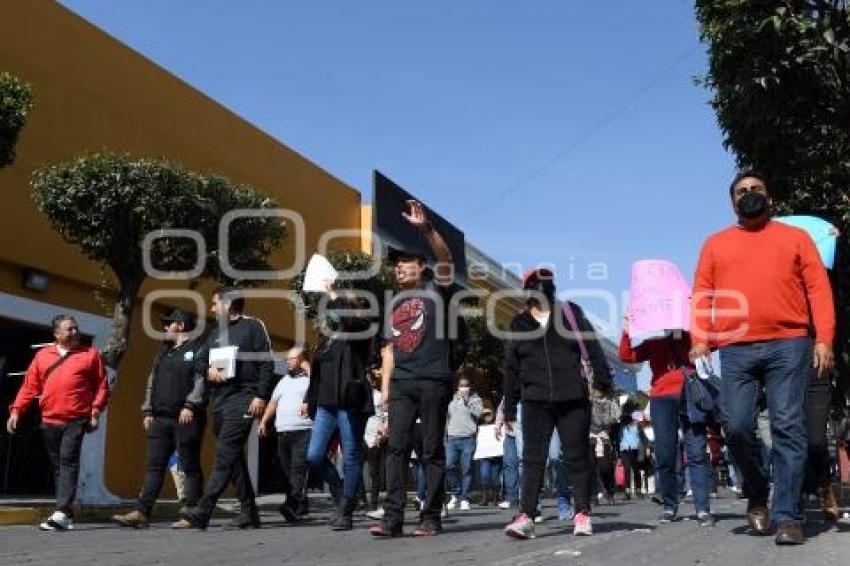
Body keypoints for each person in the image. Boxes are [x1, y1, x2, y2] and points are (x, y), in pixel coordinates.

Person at [690, 170, 835, 545]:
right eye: (742, 191)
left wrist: (824, 339)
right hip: (736, 349)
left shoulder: (796, 238)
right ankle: (756, 491)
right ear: (732, 202)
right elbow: (703, 294)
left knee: (788, 426)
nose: (749, 194)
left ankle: (788, 516)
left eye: (757, 189)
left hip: (789, 344)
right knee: (736, 426)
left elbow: (818, 289)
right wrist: (700, 339)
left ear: (770, 198)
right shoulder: (715, 244)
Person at [502, 267, 612, 540]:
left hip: (573, 398)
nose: (542, 288)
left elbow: (593, 346)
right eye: (537, 284)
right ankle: (526, 515)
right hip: (535, 401)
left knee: (576, 457)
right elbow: (511, 368)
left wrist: (601, 382)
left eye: (547, 283)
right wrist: (509, 406)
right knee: (532, 459)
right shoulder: (519, 324)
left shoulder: (569, 313)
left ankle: (582, 513)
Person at [370, 199, 458, 538]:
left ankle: (430, 516)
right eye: (396, 265)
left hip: (435, 379)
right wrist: (386, 389)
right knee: (396, 448)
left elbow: (447, 259)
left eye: (405, 262)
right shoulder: (392, 302)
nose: (398, 268)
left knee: (432, 449)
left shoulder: (438, 288)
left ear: (421, 265)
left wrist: (427, 229)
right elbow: (389, 349)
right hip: (403, 383)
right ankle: (393, 518)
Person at [177, 287, 275, 530]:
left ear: (229, 304)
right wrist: (207, 370)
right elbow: (199, 360)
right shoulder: (214, 333)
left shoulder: (253, 326)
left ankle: (204, 509)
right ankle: (249, 513)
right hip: (219, 401)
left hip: (244, 398)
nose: (211, 308)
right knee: (234, 459)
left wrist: (261, 396)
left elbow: (266, 363)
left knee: (225, 453)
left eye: (214, 303)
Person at [7, 314, 109, 531]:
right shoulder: (43, 356)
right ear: (56, 334)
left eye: (76, 328)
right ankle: (67, 513)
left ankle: (61, 511)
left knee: (67, 460)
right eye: (69, 329)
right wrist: (16, 411)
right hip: (49, 419)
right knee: (59, 466)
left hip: (76, 418)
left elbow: (101, 386)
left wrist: (95, 411)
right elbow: (29, 387)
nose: (75, 332)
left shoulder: (90, 355)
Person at [113, 308, 207, 529]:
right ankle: (142, 512)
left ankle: (192, 514)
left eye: (168, 323)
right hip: (160, 419)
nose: (165, 328)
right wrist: (148, 410)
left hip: (187, 417)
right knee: (154, 466)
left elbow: (201, 380)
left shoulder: (199, 349)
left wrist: (190, 405)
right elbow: (151, 382)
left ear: (181, 326)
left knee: (189, 466)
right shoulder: (163, 352)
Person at [619, 317, 715, 526]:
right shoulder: (654, 343)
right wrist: (627, 331)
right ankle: (670, 505)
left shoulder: (693, 338)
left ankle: (702, 508)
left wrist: (697, 329)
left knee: (697, 453)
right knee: (664, 454)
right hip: (661, 400)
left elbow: (713, 343)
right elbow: (627, 356)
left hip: (691, 397)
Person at [302, 284, 374, 531]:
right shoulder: (326, 338)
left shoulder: (360, 330)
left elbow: (350, 322)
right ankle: (341, 493)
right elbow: (318, 375)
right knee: (314, 455)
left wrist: (335, 296)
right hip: (325, 404)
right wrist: (309, 401)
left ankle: (346, 510)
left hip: (349, 401)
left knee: (351, 455)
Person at [257, 346, 313, 522]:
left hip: (303, 430)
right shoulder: (283, 381)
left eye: (292, 358)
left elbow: (319, 385)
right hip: (283, 432)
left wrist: (308, 368)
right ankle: (300, 504)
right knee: (287, 472)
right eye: (287, 359)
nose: (287, 362)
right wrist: (264, 421)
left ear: (302, 359)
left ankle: (291, 506)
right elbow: (273, 403)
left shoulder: (311, 379)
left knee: (298, 469)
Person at [445, 375, 483, 511]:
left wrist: (467, 402)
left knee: (466, 469)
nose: (463, 388)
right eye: (461, 385)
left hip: (468, 438)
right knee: (449, 465)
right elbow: (447, 417)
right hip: (452, 438)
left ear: (470, 387)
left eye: (466, 385)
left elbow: (478, 414)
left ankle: (464, 498)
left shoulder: (476, 399)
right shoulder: (451, 399)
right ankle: (456, 493)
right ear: (457, 387)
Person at [364, 369, 387, 520]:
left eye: (368, 380)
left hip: (374, 438)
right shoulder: (359, 398)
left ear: (373, 382)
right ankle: (361, 501)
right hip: (360, 437)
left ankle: (373, 503)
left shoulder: (379, 396)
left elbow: (387, 414)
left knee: (374, 473)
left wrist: (382, 432)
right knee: (354, 469)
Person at [494, 398, 520, 509]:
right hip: (511, 435)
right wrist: (497, 426)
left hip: (526, 433)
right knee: (509, 464)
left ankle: (527, 497)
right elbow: (501, 410)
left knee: (525, 466)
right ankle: (512, 497)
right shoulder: (508, 395)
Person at [476, 408, 502, 507]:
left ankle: (495, 497)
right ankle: (485, 497)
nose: (487, 416)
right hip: (484, 456)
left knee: (496, 478)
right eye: (485, 415)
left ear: (493, 414)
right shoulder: (479, 427)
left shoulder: (498, 426)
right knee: (484, 475)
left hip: (496, 455)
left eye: (489, 414)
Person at [619, 415, 643, 499]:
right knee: (627, 469)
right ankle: (627, 491)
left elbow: (642, 437)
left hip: (635, 449)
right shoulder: (622, 427)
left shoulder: (637, 425)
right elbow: (619, 438)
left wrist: (646, 447)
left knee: (636, 469)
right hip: (624, 449)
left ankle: (638, 490)